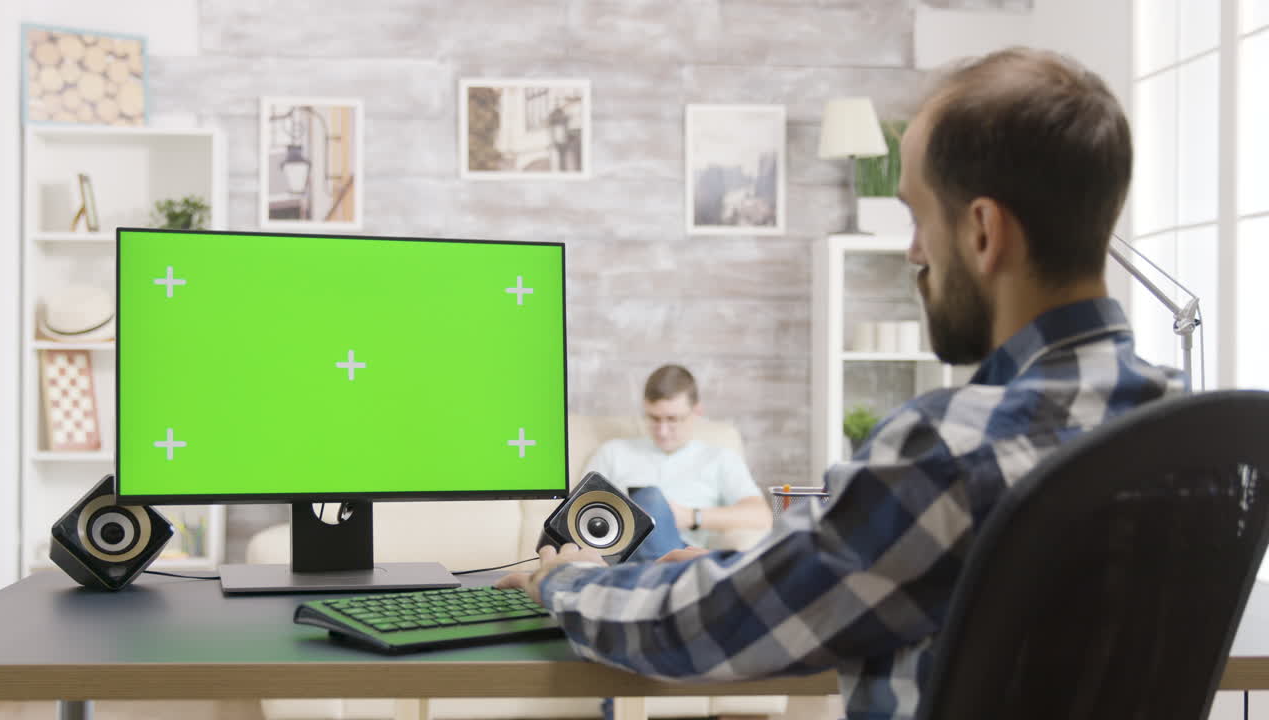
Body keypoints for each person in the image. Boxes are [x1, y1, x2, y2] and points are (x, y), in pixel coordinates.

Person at [500, 47, 1184, 720]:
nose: (914, 250)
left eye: (918, 218)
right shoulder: (1184, 425)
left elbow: (709, 627)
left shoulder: (950, 451)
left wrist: (565, 581)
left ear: (982, 232)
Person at [581, 364, 772, 563]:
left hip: (682, 552)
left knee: (651, 498)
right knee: (647, 499)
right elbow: (577, 514)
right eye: (654, 418)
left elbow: (760, 516)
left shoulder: (719, 458)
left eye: (673, 419)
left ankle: (655, 579)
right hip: (621, 555)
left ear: (697, 411)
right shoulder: (613, 452)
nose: (662, 431)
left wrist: (691, 517)